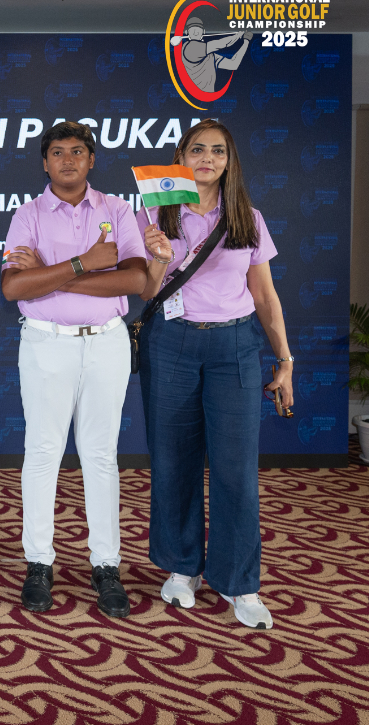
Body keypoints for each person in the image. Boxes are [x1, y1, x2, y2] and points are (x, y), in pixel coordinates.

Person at [137, 119, 292, 630]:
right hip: (171, 344)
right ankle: (182, 567)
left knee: (236, 470)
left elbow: (265, 295)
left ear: (229, 161)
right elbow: (146, 292)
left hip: (235, 348)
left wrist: (285, 360)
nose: (207, 158)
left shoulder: (248, 217)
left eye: (218, 151)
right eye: (198, 149)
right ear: (181, 156)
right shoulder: (153, 212)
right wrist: (158, 258)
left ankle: (240, 582)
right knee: (173, 460)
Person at [1, 121, 146, 618]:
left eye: (78, 151)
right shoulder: (28, 214)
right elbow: (13, 288)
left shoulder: (117, 209)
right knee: (42, 453)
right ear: (45, 163)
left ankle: (106, 565)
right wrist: (85, 264)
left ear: (91, 160)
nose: (68, 159)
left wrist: (50, 275)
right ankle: (39, 563)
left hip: (106, 342)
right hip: (46, 344)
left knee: (101, 456)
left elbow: (136, 279)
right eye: (58, 152)